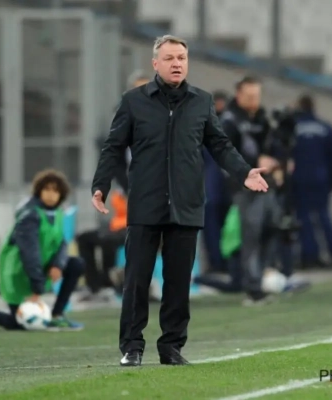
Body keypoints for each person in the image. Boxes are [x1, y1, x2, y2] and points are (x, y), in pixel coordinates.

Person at [91, 35, 268, 367]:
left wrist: (244, 172)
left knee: (178, 282)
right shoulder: (133, 101)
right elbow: (113, 147)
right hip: (145, 203)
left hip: (186, 204)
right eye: (170, 58)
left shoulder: (202, 101)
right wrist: (100, 184)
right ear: (155, 64)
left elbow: (220, 145)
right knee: (137, 279)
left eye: (182, 58)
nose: (177, 64)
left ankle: (171, 347)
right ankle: (132, 346)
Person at [0, 169, 85, 331]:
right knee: (20, 324)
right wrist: (37, 289)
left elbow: (61, 243)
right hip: (18, 272)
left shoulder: (58, 213)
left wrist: (58, 265)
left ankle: (57, 315)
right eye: (47, 189)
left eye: (56, 190)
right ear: (38, 191)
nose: (51, 194)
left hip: (40, 267)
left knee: (76, 264)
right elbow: (29, 253)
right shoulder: (29, 215)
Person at [219, 76, 285, 305]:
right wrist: (256, 162)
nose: (254, 100)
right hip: (245, 186)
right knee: (251, 234)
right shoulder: (229, 120)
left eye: (257, 96)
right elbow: (227, 154)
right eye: (249, 96)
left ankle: (263, 275)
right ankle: (253, 287)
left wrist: (279, 165)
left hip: (267, 184)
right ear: (239, 95)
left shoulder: (261, 118)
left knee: (272, 228)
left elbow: (273, 146)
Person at [292, 94, 332, 269]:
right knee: (323, 216)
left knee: (303, 217)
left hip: (299, 179)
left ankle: (309, 255)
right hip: (321, 179)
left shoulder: (293, 128)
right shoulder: (325, 128)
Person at [77, 185, 127, 301]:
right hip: (115, 227)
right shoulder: (120, 188)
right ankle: (93, 286)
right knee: (83, 238)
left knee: (108, 241)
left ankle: (107, 283)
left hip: (132, 227)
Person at [201, 90, 232, 275]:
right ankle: (222, 262)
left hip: (216, 186)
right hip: (217, 186)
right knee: (217, 226)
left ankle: (220, 262)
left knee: (220, 226)